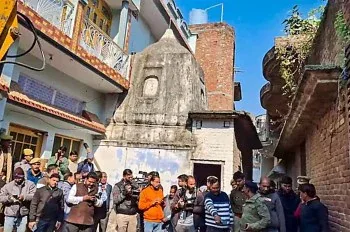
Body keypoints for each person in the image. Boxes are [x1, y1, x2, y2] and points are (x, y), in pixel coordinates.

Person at [0, 167, 36, 232]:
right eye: (16, 178)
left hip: (23, 214)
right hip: (10, 214)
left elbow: (34, 196)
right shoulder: (8, 186)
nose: (18, 179)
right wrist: (9, 198)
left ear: (23, 176)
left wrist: (24, 197)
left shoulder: (30, 184)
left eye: (20, 177)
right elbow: (1, 197)